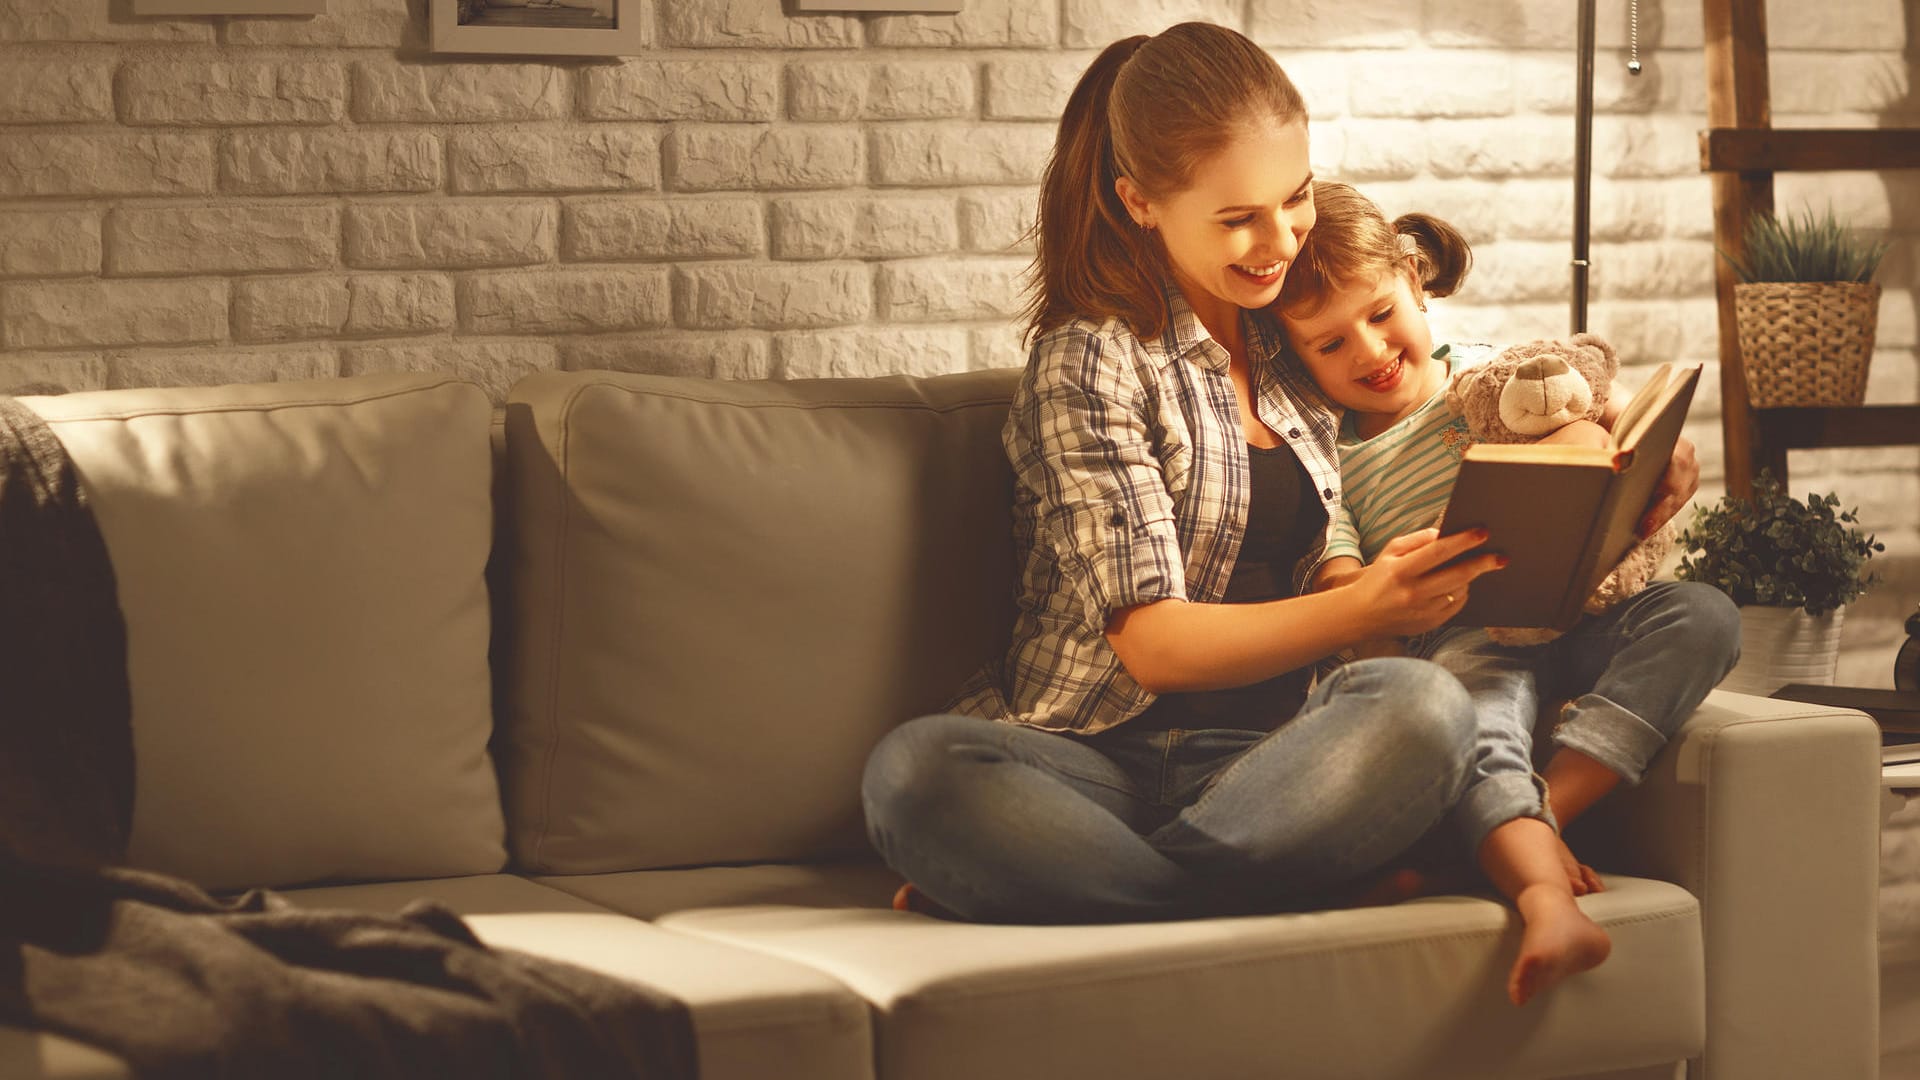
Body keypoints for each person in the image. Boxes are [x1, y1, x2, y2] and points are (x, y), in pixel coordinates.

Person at [866, 20, 1496, 957]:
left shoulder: (1289, 337)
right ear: (1141, 202)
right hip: (1092, 759)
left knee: (1426, 708)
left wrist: (1591, 445)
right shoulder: (1090, 359)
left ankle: (1097, 888)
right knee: (917, 772)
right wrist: (1359, 605)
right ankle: (1258, 896)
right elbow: (1154, 645)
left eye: (1294, 199)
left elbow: (1431, 387)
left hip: (1273, 762)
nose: (1278, 239)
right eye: (1238, 218)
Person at [1273, 180, 1742, 1000]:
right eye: (1329, 344)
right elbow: (1346, 586)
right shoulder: (1328, 457)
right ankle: (1544, 896)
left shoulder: (1490, 374)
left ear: (1416, 282)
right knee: (1475, 719)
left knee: (1703, 614)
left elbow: (1599, 413)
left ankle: (1544, 814)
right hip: (1467, 633)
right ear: (1295, 356)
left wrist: (1662, 452)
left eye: (1381, 313)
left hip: (1581, 606)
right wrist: (1383, 588)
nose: (1370, 352)